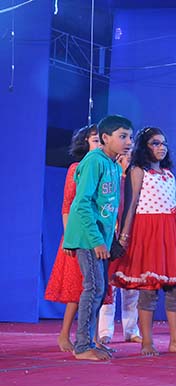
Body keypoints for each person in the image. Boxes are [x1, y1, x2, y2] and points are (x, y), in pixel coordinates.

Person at [110, 127, 176, 356]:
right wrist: (124, 236)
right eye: (155, 143)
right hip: (148, 232)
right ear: (145, 146)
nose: (161, 147)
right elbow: (131, 204)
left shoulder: (169, 174)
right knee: (149, 289)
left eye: (164, 143)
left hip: (172, 233)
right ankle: (147, 342)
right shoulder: (138, 171)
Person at [62, 115, 134, 361]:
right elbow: (81, 204)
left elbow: (108, 208)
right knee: (93, 288)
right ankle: (82, 346)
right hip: (88, 238)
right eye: (122, 136)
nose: (128, 142)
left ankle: (90, 342)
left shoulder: (113, 165)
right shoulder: (94, 161)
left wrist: (109, 239)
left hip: (100, 237)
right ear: (105, 138)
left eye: (130, 137)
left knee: (99, 290)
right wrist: (97, 241)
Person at [45, 124, 115, 352]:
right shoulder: (78, 167)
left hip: (99, 236)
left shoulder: (107, 166)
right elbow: (69, 205)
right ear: (86, 143)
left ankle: (93, 338)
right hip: (79, 236)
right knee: (79, 289)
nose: (99, 145)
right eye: (95, 141)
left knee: (98, 290)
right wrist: (69, 239)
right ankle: (65, 335)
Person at [97, 148, 142, 346]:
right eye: (125, 158)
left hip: (133, 237)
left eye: (131, 159)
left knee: (132, 285)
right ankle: (104, 331)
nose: (128, 162)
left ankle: (131, 330)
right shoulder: (112, 179)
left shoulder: (138, 182)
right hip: (112, 236)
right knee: (110, 285)